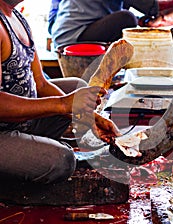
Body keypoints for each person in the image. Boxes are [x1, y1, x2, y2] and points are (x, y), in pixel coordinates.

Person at [0, 0, 121, 184]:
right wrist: (63, 104)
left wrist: (87, 116)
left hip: (23, 120)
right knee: (62, 160)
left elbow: (40, 83)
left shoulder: (17, 18)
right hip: (3, 132)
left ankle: (31, 146)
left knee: (77, 87)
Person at [49, 0, 139, 48]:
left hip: (63, 33)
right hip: (73, 35)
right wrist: (152, 12)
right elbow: (148, 5)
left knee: (128, 18)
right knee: (127, 18)